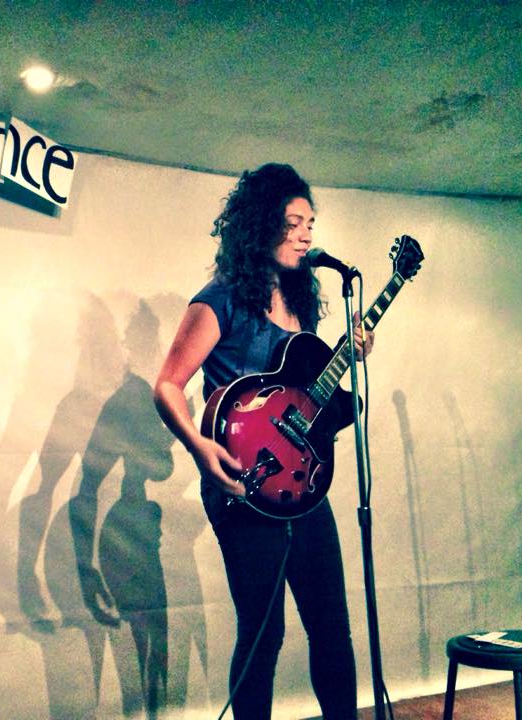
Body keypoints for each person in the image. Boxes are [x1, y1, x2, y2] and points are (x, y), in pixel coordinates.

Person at [153, 163, 374, 719]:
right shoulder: (220, 299)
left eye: (310, 224)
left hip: (301, 484)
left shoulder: (302, 303)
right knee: (263, 633)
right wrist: (198, 447)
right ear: (260, 224)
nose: (305, 235)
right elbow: (168, 384)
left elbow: (298, 395)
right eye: (293, 223)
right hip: (241, 485)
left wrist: (347, 356)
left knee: (331, 626)